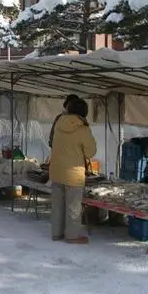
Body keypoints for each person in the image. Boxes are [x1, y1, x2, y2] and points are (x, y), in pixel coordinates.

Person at [49, 98, 97, 244]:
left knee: (57, 205)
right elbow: (90, 152)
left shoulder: (59, 123)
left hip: (56, 170)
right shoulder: (83, 129)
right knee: (73, 206)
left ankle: (56, 233)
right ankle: (72, 236)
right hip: (73, 173)